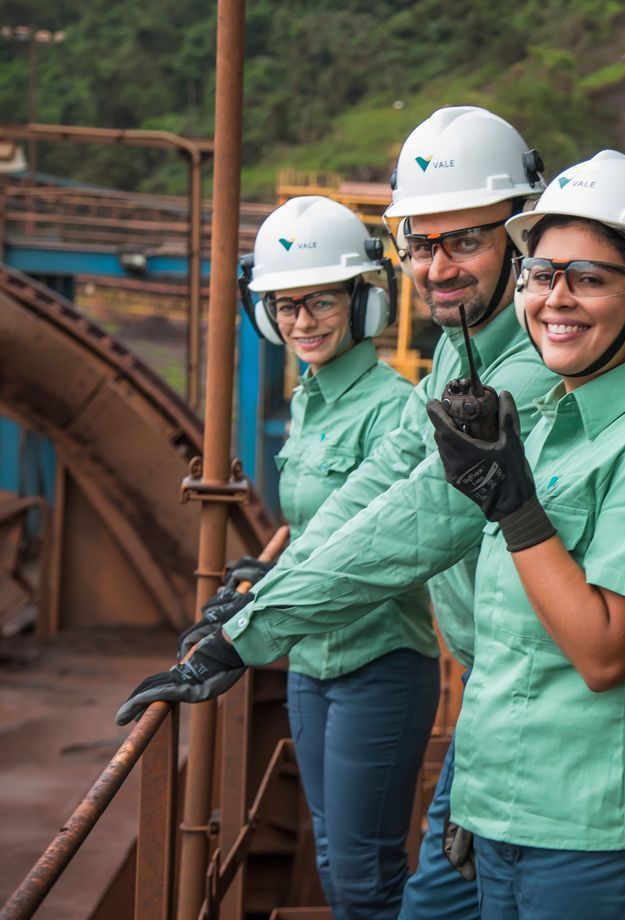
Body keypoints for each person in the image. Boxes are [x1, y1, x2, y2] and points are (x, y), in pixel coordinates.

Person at [116, 106, 561, 920]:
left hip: (543, 713)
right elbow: (378, 489)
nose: (439, 267)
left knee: (406, 895)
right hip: (500, 701)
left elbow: (422, 516)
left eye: (466, 240)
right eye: (422, 245)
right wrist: (271, 588)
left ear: (521, 239)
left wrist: (247, 635)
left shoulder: (526, 374)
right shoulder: (459, 364)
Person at [425, 150, 625, 919]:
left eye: (589, 278)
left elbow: (602, 653)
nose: (553, 299)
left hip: (603, 845)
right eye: (540, 273)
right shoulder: (541, 426)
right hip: (508, 823)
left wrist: (516, 508)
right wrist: (482, 799)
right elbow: (505, 650)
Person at [226, 197, 443, 916]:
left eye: (320, 301)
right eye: (285, 307)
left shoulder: (395, 406)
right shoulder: (312, 400)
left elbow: (378, 539)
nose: (301, 323)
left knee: (362, 870)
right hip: (309, 661)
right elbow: (317, 529)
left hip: (378, 663)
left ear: (361, 303)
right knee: (330, 852)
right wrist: (270, 580)